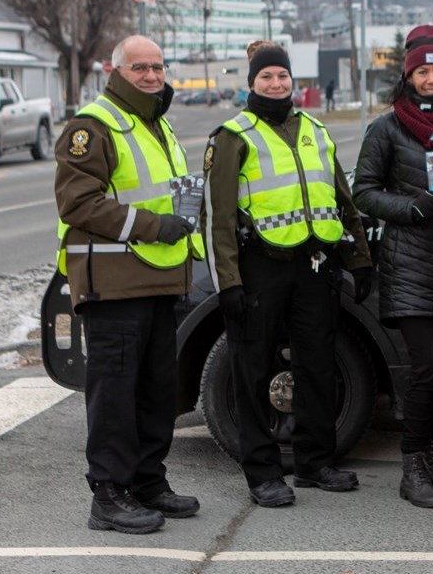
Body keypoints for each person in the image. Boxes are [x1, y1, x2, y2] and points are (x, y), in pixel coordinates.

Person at [203, 41, 373, 509]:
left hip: (315, 265)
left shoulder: (315, 129)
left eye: (282, 76)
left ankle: (316, 463)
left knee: (316, 364)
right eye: (266, 77)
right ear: (251, 83)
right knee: (253, 369)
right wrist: (229, 283)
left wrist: (358, 256)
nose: (276, 84)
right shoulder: (233, 135)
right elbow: (216, 217)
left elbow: (343, 198)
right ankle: (262, 473)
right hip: (260, 266)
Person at [54, 35, 203, 534]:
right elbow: (77, 204)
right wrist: (150, 225)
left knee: (156, 391)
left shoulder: (155, 124)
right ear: (115, 71)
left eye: (158, 67)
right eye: (140, 67)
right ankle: (109, 496)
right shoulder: (93, 126)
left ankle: (146, 481)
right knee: (114, 394)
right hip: (114, 284)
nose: (151, 76)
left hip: (159, 278)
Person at [353, 27, 433, 509]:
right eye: (422, 71)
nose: (431, 78)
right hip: (411, 267)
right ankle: (412, 467)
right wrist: (411, 207)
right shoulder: (386, 129)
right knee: (424, 370)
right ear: (409, 76)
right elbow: (363, 192)